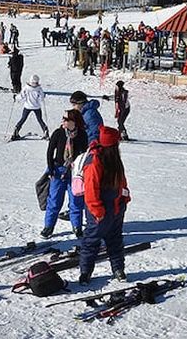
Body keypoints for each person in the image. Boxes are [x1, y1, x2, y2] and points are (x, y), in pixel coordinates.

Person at [78, 126, 131, 284]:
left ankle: (118, 269)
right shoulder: (94, 162)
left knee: (115, 239)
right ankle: (85, 273)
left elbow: (121, 180)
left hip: (116, 206)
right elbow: (90, 190)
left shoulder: (114, 159)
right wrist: (98, 212)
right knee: (91, 241)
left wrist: (125, 197)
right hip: (100, 210)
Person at [42, 109, 89, 239]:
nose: (63, 121)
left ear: (74, 122)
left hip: (74, 173)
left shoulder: (82, 135)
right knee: (54, 200)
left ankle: (77, 227)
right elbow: (50, 152)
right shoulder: (58, 133)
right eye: (63, 118)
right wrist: (51, 170)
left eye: (66, 119)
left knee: (76, 201)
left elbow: (85, 154)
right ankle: (48, 226)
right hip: (58, 171)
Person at [12, 75, 48, 140]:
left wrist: (16, 97)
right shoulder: (39, 88)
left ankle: (16, 131)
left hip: (27, 106)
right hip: (37, 107)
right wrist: (43, 96)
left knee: (23, 119)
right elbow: (41, 97)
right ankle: (45, 131)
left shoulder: (26, 88)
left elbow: (21, 96)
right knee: (40, 119)